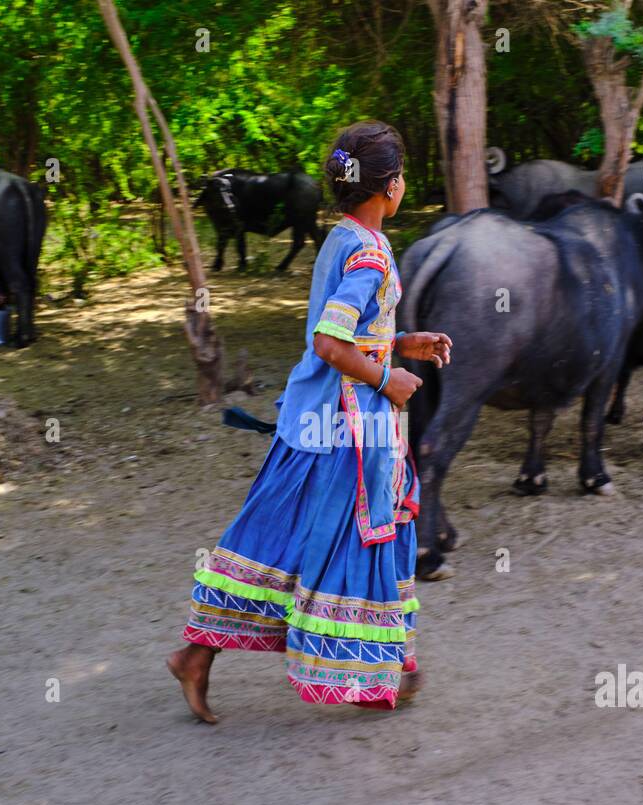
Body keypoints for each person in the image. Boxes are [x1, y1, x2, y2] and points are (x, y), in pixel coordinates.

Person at [168, 120, 453, 722]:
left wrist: (405, 342)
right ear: (391, 187)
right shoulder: (372, 254)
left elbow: (355, 331)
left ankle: (199, 654)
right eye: (400, 178)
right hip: (349, 429)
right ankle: (390, 669)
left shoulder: (340, 238)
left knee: (283, 537)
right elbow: (329, 340)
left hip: (314, 419)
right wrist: (388, 378)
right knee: (360, 532)